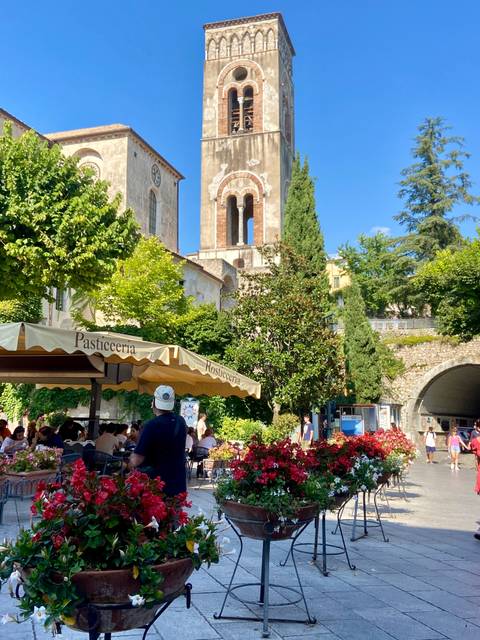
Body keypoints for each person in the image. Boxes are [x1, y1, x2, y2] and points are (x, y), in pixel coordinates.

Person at [130, 385, 187, 496]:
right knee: (174, 512)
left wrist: (129, 461)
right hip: (178, 483)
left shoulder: (151, 425)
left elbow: (137, 460)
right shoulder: (181, 422)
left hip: (156, 485)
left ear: (154, 402)